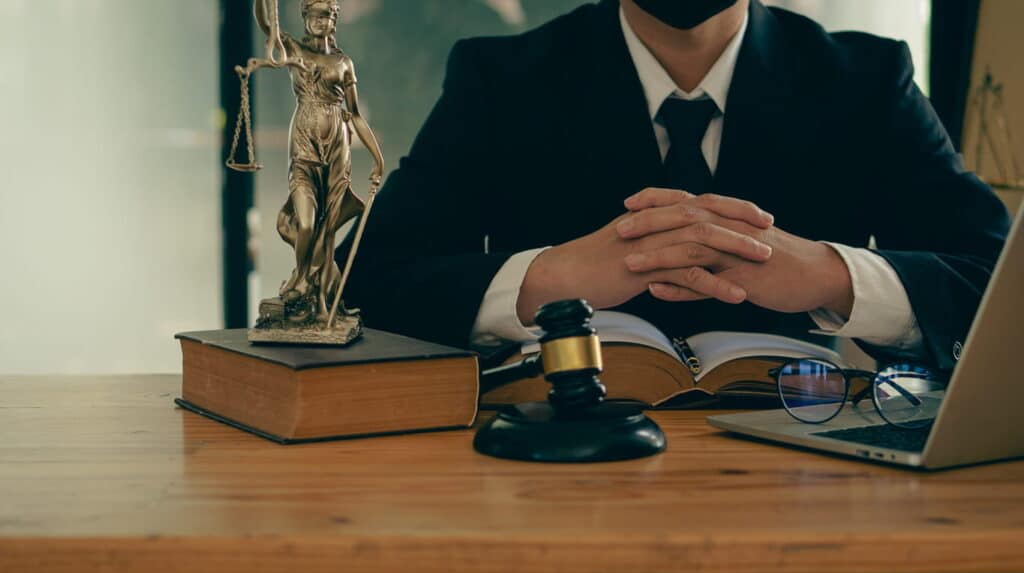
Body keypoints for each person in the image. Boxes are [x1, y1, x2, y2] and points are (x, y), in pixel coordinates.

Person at [337, 0, 1010, 371]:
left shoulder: (865, 78)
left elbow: (996, 281)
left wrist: (830, 276)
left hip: (805, 450)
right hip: (555, 451)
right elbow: (361, 284)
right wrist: (547, 280)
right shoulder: (501, 76)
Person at [254, 0, 384, 324]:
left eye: (325, 15)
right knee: (307, 223)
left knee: (327, 232)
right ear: (304, 17)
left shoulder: (343, 63)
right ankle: (300, 279)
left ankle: (319, 298)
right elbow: (268, 26)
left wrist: (377, 157)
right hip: (304, 148)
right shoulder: (295, 52)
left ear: (333, 19)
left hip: (337, 152)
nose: (318, 21)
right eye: (312, 15)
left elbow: (354, 115)